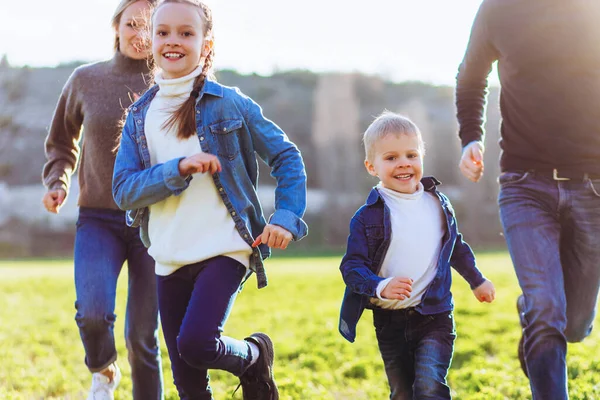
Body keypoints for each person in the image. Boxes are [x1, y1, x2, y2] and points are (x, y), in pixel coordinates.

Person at [111, 0, 307, 399]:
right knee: (187, 382)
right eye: (163, 32)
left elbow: (286, 156)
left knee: (197, 343)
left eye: (186, 33)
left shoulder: (230, 103)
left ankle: (252, 356)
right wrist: (177, 169)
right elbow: (123, 190)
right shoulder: (139, 116)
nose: (173, 41)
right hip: (168, 256)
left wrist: (286, 216)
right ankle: (252, 361)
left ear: (207, 43)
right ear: (150, 40)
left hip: (225, 247)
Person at [456, 1, 600, 398]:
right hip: (524, 184)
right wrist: (470, 137)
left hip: (593, 185)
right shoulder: (498, 10)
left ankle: (535, 316)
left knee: (575, 324)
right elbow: (471, 77)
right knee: (546, 307)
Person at [41, 1, 163, 399]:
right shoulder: (85, 79)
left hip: (154, 222)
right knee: (93, 313)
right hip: (97, 218)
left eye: (151, 26)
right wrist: (58, 181)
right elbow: (62, 141)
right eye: (132, 24)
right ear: (116, 26)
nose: (141, 34)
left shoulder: (171, 85)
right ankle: (103, 370)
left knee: (142, 337)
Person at [338, 111, 495, 400]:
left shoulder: (438, 204)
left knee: (429, 387)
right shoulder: (366, 218)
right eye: (391, 158)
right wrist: (380, 285)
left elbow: (455, 247)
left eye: (411, 155)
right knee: (402, 393)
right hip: (389, 319)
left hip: (434, 315)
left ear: (422, 156)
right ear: (372, 166)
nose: (403, 164)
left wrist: (477, 280)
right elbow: (351, 266)